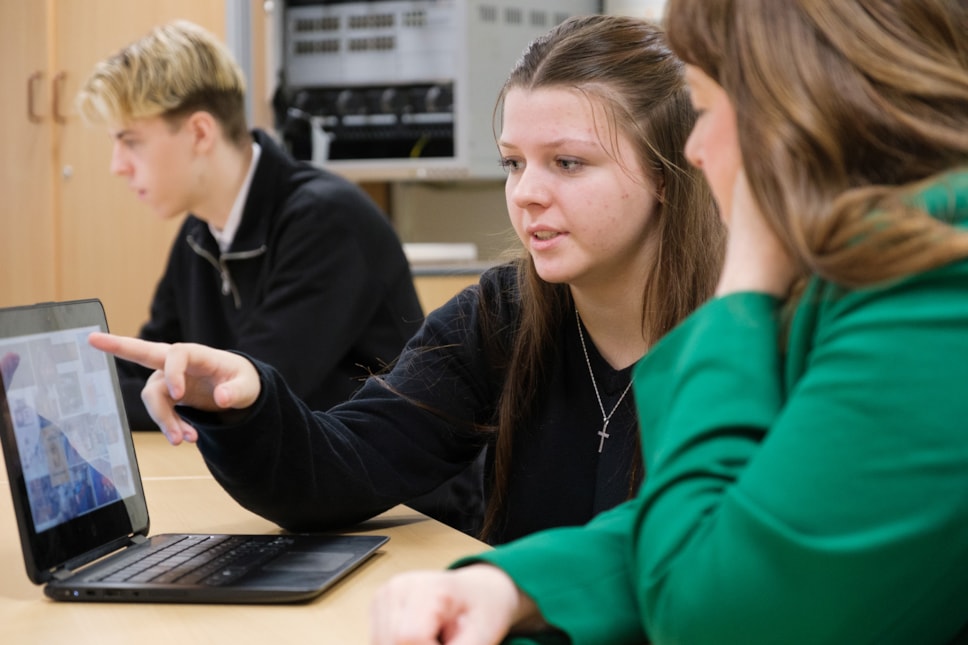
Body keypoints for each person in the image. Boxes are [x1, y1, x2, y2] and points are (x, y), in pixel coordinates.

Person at [369, 0, 968, 643]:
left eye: (706, 112)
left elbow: (710, 607)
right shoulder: (872, 270)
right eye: (511, 163)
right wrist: (508, 583)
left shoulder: (927, 292)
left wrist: (743, 283)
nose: (696, 149)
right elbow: (737, 525)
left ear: (808, 110)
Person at [87, 15, 724, 543]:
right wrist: (249, 400)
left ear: (669, 174)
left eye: (568, 163)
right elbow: (344, 469)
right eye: (512, 163)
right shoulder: (500, 313)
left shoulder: (751, 334)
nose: (526, 193)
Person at [74, 20, 424, 432]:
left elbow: (241, 393)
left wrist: (98, 402)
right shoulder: (198, 234)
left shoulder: (327, 221)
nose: (118, 166)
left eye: (131, 141)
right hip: (296, 479)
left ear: (200, 133)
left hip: (396, 491)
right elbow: (153, 365)